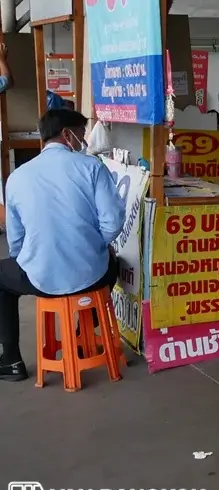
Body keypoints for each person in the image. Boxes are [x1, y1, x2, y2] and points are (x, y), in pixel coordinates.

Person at [0, 109, 125, 381]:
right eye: (81, 133)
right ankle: (82, 338)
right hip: (92, 276)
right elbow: (113, 222)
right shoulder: (92, 167)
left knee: (2, 277)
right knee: (113, 264)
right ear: (67, 134)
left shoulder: (18, 177)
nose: (84, 141)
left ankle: (10, 360)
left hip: (38, 278)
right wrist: (95, 245)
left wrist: (33, 260)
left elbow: (16, 239)